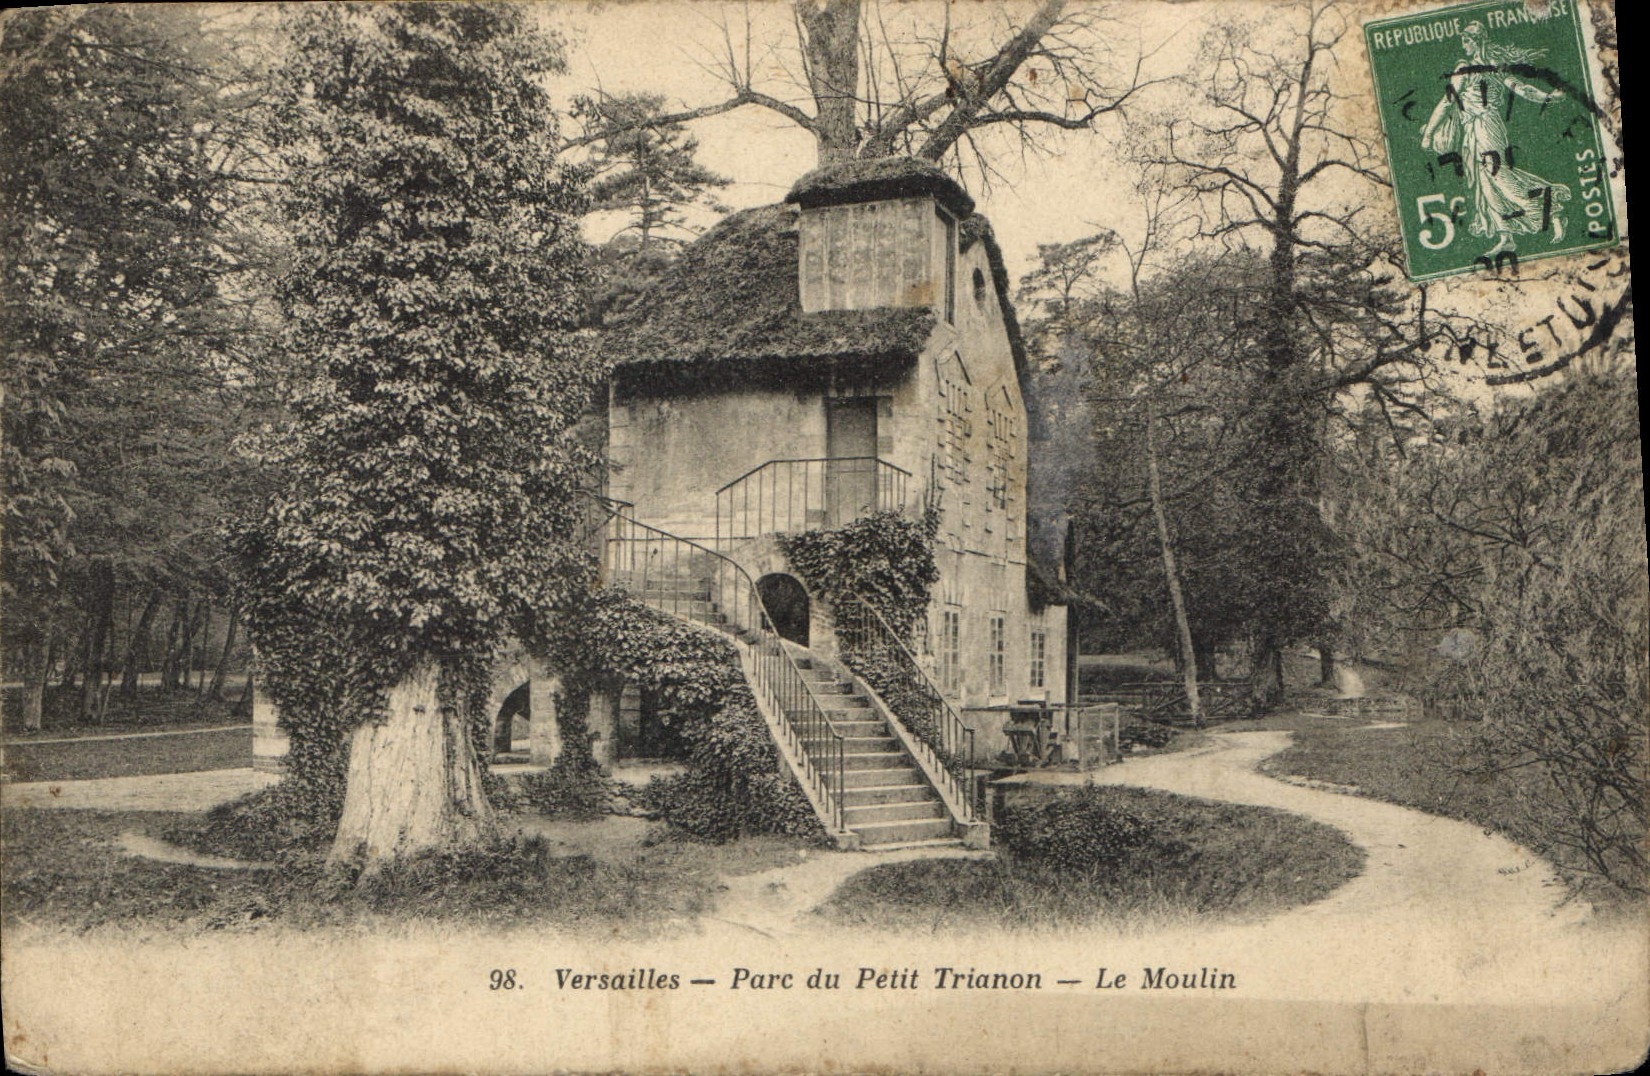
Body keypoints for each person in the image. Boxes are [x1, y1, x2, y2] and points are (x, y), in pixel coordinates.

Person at [1421, 21, 1570, 258]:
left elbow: (1448, 102)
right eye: (1463, 41)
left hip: (1485, 127)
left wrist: (1429, 133)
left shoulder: (1468, 69)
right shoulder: (1491, 68)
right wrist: (1548, 97)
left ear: (1477, 40)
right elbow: (1521, 88)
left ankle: (1550, 210)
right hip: (1474, 129)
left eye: (1467, 40)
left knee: (1499, 177)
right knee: (1486, 184)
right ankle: (1506, 237)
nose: (1464, 45)